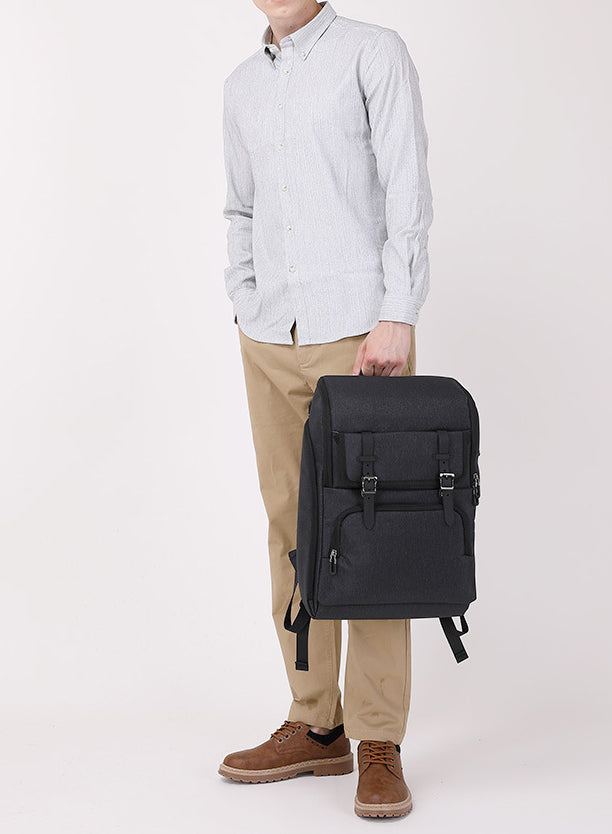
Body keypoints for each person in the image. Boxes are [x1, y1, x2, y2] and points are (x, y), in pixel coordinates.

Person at [218, 0, 433, 819]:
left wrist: (398, 312)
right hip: (270, 334)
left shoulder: (373, 53)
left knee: (372, 532)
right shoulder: (242, 85)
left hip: (361, 335)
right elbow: (240, 209)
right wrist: (245, 301)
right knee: (291, 525)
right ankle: (316, 723)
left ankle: (379, 738)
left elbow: (407, 186)